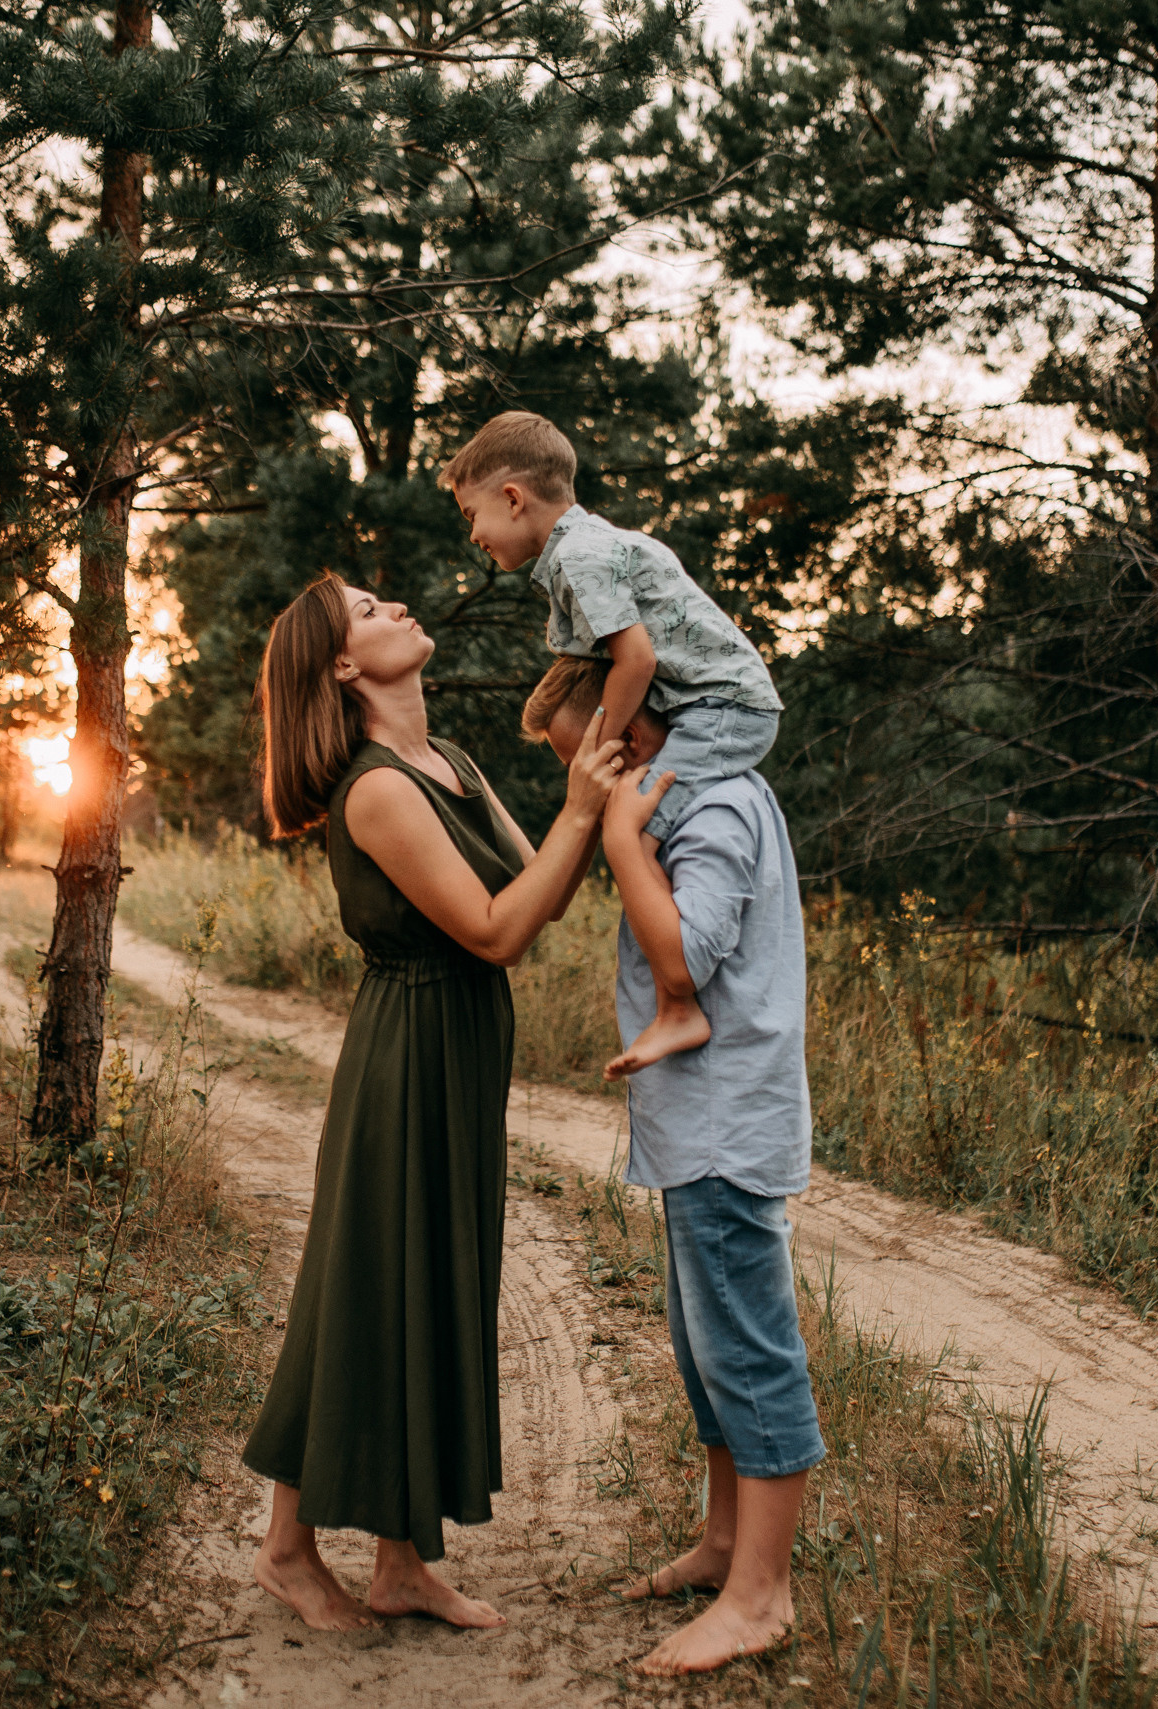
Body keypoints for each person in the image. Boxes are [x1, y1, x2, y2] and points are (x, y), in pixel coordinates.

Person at [240, 573, 629, 1633]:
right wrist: (581, 809)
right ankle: (286, 1546)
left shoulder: (446, 762)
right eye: (368, 612)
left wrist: (588, 795)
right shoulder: (373, 788)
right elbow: (499, 926)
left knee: (433, 1287)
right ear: (342, 666)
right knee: (364, 1286)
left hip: (462, 1046)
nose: (396, 608)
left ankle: (401, 1564)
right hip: (405, 1049)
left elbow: (536, 886)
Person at [530, 658, 824, 1678]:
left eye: (589, 763)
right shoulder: (691, 803)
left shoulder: (717, 808)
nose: (588, 787)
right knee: (703, 1346)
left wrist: (616, 838)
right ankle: (721, 1542)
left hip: (724, 1126)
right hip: (693, 1124)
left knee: (748, 1348)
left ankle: (761, 1594)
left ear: (633, 741)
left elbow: (686, 960)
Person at [443, 410, 783, 1078]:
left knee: (636, 824)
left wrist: (596, 755)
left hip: (724, 709)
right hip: (708, 706)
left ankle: (680, 1006)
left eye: (469, 513)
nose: (473, 533)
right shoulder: (583, 551)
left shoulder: (578, 556)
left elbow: (637, 664)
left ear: (513, 498)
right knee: (633, 816)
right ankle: (675, 1001)